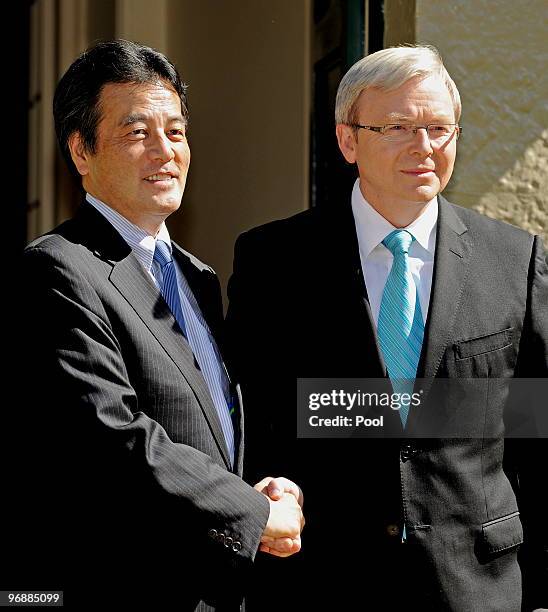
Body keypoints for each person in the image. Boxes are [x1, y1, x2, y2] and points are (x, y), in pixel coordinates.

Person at [225, 45, 547, 611]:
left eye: (439, 129)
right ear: (348, 140)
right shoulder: (274, 260)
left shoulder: (516, 261)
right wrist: (273, 485)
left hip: (476, 588)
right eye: (398, 127)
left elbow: (534, 432)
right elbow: (253, 415)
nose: (424, 148)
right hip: (325, 583)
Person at [16, 39, 304, 610]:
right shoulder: (58, 268)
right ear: (80, 151)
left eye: (175, 132)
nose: (164, 151)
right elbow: (112, 436)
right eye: (136, 132)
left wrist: (261, 488)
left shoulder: (197, 277)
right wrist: (253, 513)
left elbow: (207, 423)